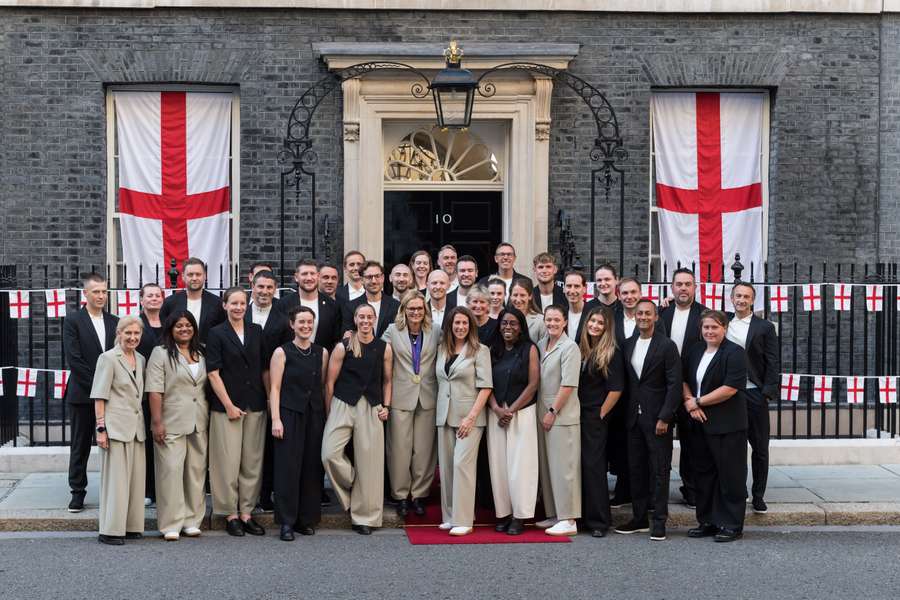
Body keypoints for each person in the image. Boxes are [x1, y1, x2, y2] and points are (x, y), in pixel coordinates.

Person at [322, 303, 393, 535]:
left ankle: (366, 518)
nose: (365, 321)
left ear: (374, 319)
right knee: (329, 453)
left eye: (369, 317)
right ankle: (354, 483)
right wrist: (329, 411)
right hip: (343, 403)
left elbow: (388, 381)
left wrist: (386, 406)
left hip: (372, 405)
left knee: (371, 465)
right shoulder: (343, 346)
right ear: (355, 319)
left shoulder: (384, 348)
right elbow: (330, 383)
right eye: (361, 317)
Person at [615, 299, 681, 541]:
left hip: (657, 419)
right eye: (639, 313)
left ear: (655, 317)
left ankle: (660, 520)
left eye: (647, 313)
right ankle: (639, 517)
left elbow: (674, 385)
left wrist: (665, 416)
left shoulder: (667, 346)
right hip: (633, 418)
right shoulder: (628, 344)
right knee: (636, 469)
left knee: (659, 470)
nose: (642, 317)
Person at [206, 287, 267, 537]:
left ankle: (246, 512)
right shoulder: (216, 333)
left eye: (242, 303)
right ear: (225, 306)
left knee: (251, 462)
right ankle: (230, 514)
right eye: (234, 303)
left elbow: (263, 368)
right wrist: (229, 405)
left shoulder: (256, 331)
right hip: (227, 407)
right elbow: (213, 373)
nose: (239, 307)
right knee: (227, 462)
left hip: (255, 404)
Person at [683, 310, 749, 542]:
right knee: (704, 474)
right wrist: (691, 405)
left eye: (714, 327)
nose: (709, 331)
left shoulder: (735, 353)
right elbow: (683, 379)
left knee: (730, 475)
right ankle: (708, 521)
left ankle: (731, 524)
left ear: (724, 328)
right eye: (706, 328)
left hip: (727, 424)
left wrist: (698, 401)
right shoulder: (695, 350)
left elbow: (731, 388)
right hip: (699, 422)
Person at [145, 310, 208, 541]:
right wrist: (157, 421)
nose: (184, 329)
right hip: (170, 422)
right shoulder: (160, 354)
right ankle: (171, 523)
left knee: (195, 472)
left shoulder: (201, 351)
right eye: (179, 326)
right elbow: (154, 390)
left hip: (199, 421)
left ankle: (192, 520)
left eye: (188, 325)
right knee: (170, 472)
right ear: (171, 329)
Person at [269, 306, 329, 541]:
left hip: (314, 414)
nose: (305, 326)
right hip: (288, 414)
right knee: (288, 468)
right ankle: (286, 521)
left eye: (309, 322)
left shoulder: (321, 352)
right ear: (292, 325)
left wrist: (326, 415)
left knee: (311, 468)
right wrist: (276, 418)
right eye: (301, 322)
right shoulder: (281, 352)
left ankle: (306, 519)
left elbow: (323, 386)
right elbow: (274, 388)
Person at [435, 306, 493, 536]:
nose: (460, 327)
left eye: (464, 324)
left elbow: (486, 386)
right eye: (456, 323)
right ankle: (450, 516)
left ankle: (464, 519)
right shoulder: (442, 349)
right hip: (444, 414)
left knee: (462, 465)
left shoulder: (480, 350)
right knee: (447, 467)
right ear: (450, 326)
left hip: (470, 417)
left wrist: (471, 417)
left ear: (471, 327)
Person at [64, 272, 118, 513]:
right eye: (96, 291)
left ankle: (114, 491)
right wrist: (98, 387)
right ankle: (77, 492)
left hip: (111, 395)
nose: (101, 296)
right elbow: (74, 360)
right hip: (82, 394)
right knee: (80, 445)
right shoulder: (73, 321)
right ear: (85, 293)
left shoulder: (115, 321)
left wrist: (107, 389)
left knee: (113, 444)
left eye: (104, 291)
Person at [382, 291, 439, 518]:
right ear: (403, 310)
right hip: (400, 397)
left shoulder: (435, 331)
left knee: (424, 450)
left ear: (425, 310)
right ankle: (400, 495)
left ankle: (419, 495)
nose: (415, 312)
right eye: (411, 308)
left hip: (428, 396)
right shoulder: (392, 331)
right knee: (399, 449)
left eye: (419, 308)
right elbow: (377, 354)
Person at [91, 315, 146, 545]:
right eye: (128, 333)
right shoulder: (108, 358)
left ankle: (131, 525)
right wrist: (101, 428)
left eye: (136, 334)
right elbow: (99, 395)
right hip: (114, 427)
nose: (132, 337)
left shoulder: (141, 358)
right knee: (116, 482)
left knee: (134, 481)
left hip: (136, 428)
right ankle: (110, 530)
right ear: (119, 334)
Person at [727, 282, 779, 514]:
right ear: (731, 298)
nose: (741, 299)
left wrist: (766, 392)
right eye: (738, 295)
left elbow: (773, 361)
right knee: (734, 447)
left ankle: (758, 495)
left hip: (754, 393)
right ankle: (739, 492)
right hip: (729, 395)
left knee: (760, 448)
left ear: (752, 300)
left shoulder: (764, 327)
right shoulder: (722, 321)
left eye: (746, 296)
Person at [487, 307, 539, 536]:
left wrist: (512, 410)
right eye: (504, 323)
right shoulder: (492, 350)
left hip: (522, 413)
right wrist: (497, 409)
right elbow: (484, 381)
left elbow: (534, 383)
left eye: (513, 324)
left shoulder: (530, 349)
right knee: (499, 466)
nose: (508, 328)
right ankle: (504, 513)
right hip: (496, 412)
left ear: (521, 327)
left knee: (521, 466)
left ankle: (520, 516)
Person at [659, 268, 708, 508]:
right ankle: (658, 493)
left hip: (693, 389)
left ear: (695, 287)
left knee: (692, 444)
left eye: (688, 284)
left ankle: (691, 490)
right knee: (661, 443)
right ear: (672, 287)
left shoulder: (703, 315)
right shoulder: (662, 313)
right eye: (679, 284)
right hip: (664, 389)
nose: (683, 288)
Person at [577, 305, 625, 538]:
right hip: (578, 416)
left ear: (607, 328)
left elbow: (616, 390)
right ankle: (583, 516)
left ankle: (599, 521)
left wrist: (600, 414)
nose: (594, 326)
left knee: (594, 468)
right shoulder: (583, 349)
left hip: (595, 417)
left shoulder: (611, 352)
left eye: (600, 323)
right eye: (591, 322)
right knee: (580, 466)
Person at [534, 305, 582, 536]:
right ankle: (555, 513)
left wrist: (553, 410)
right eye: (548, 319)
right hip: (542, 413)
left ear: (565, 322)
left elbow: (569, 384)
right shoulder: (542, 344)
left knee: (564, 468)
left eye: (556, 320)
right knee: (548, 466)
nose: (552, 323)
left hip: (561, 415)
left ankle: (569, 518)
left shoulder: (569, 347)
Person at [247, 269, 292, 512]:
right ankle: (246, 494)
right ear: (252, 286)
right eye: (260, 287)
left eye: (269, 288)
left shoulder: (283, 318)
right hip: (244, 386)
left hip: (274, 387)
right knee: (249, 445)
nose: (264, 292)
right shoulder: (240, 311)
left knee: (270, 445)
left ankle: (266, 494)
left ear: (275, 290)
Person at [136, 282, 164, 507]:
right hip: (141, 392)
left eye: (157, 295)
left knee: (164, 441)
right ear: (142, 300)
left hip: (166, 391)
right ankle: (147, 489)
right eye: (149, 296)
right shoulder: (136, 324)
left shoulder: (170, 323)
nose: (154, 299)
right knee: (145, 441)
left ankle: (162, 487)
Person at [280, 259, 342, 352]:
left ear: (318, 276)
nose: (309, 278)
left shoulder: (333, 306)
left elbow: (336, 339)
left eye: (312, 274)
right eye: (304, 274)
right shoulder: (283, 304)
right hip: (289, 362)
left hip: (322, 361)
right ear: (296, 277)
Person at [159, 257, 226, 344]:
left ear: (205, 276)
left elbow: (222, 333)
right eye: (190, 274)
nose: (194, 278)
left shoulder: (217, 303)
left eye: (198, 274)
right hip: (177, 354)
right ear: (183, 276)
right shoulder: (170, 303)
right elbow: (165, 333)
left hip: (208, 354)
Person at [341, 261, 400, 339]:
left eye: (377, 276)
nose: (374, 281)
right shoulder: (350, 307)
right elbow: (348, 335)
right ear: (362, 280)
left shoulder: (396, 305)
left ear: (383, 278)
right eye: (369, 277)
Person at [508, 277, 546, 342]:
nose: (518, 299)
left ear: (530, 296)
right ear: (510, 296)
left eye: (522, 295)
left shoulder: (540, 321)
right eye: (515, 295)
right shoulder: (504, 319)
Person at [614, 277, 642, 346]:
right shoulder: (611, 319)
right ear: (619, 296)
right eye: (625, 293)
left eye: (633, 292)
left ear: (640, 294)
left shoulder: (654, 320)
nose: (629, 297)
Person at [563, 270, 589, 342]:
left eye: (577, 286)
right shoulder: (560, 314)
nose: (572, 290)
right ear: (564, 288)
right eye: (569, 286)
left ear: (584, 289)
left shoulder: (592, 313)